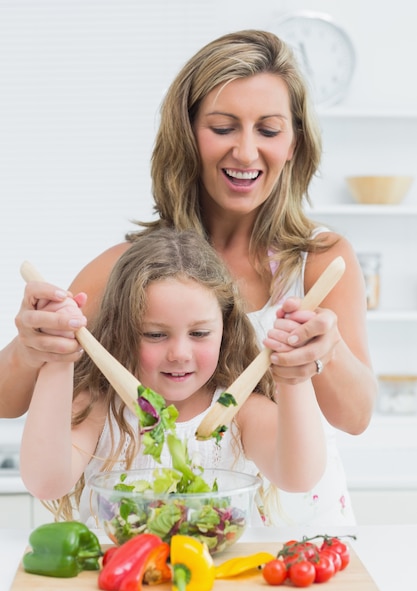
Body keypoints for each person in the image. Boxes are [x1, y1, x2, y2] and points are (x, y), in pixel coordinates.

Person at [3, 29, 377, 524]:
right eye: (223, 127)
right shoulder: (125, 269)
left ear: (294, 143)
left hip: (305, 536)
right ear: (187, 132)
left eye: (268, 130)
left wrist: (321, 353)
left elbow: (355, 417)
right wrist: (34, 348)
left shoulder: (323, 261)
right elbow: (11, 403)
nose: (246, 152)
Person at [19, 228, 326, 527]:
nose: (179, 353)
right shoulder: (100, 407)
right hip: (119, 575)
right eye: (155, 334)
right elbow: (46, 482)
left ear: (226, 329)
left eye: (199, 333)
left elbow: (299, 476)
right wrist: (57, 358)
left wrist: (294, 378)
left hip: (217, 577)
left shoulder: (241, 410)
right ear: (121, 330)